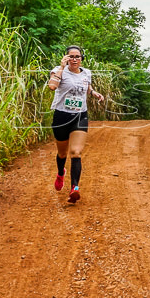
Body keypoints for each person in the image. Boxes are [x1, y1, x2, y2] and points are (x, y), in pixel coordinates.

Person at [47, 45, 104, 203]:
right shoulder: (58, 70)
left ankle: (74, 188)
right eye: (70, 56)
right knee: (62, 153)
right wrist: (61, 67)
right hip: (61, 116)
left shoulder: (86, 73)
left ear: (81, 58)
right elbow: (52, 86)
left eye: (77, 56)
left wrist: (94, 93)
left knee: (76, 152)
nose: (74, 59)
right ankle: (60, 173)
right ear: (66, 58)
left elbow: (87, 88)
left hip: (80, 116)